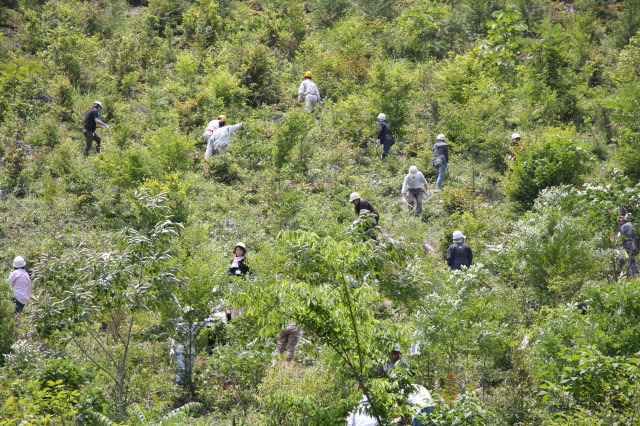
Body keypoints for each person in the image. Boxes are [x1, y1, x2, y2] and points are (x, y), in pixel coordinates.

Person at [170, 306, 200, 387]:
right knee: (182, 368)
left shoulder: (194, 326)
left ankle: (187, 386)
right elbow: (174, 338)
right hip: (180, 350)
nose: (191, 315)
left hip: (191, 351)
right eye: (189, 313)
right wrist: (172, 349)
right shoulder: (180, 326)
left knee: (189, 369)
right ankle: (179, 385)